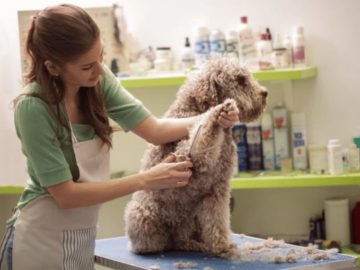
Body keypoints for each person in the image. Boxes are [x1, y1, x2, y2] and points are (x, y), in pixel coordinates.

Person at [0, 4, 239, 270]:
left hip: (82, 237)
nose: (100, 71)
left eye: (100, 57)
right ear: (53, 66)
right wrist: (147, 179)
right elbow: (65, 195)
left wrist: (211, 118)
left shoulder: (97, 82)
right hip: (37, 242)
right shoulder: (33, 107)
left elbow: (155, 130)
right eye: (87, 66)